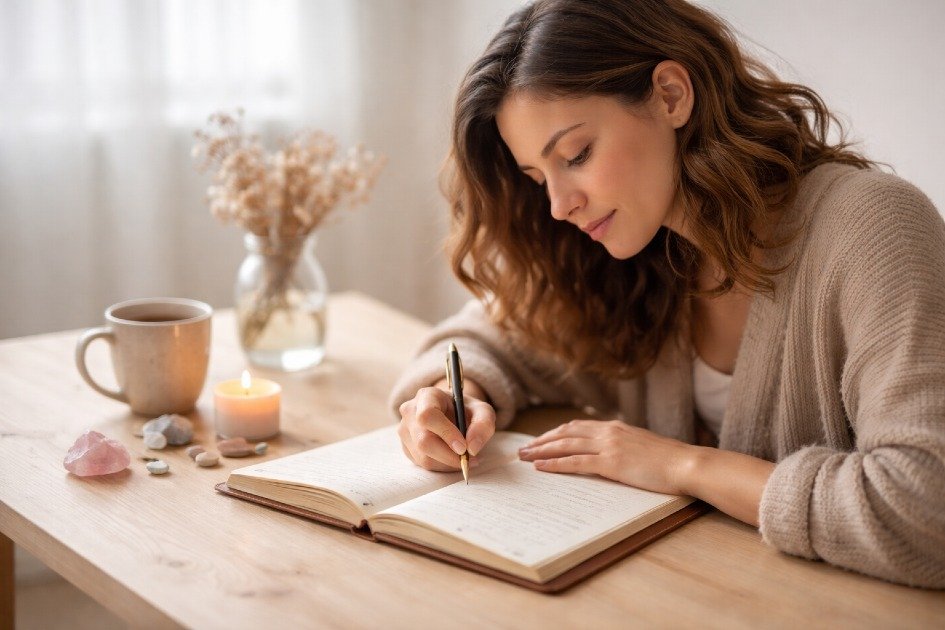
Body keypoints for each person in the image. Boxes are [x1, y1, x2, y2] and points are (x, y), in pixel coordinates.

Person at [388, 0, 945, 588]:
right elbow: (487, 336)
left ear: (671, 95)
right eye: (537, 179)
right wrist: (454, 399)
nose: (558, 205)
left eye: (576, 155)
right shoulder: (641, 256)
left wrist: (683, 465)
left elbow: (925, 507)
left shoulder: (872, 227)